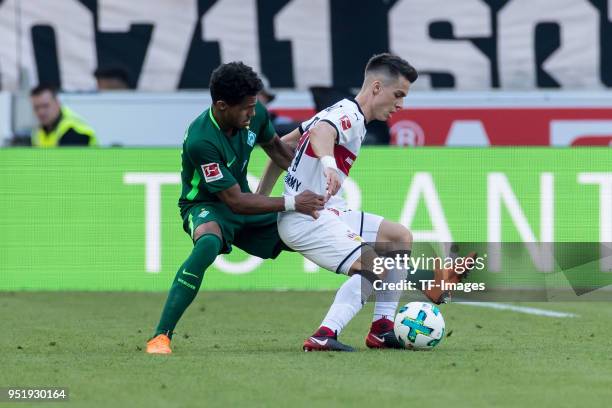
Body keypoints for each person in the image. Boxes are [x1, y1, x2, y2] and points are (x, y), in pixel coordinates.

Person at [258, 53, 475, 351]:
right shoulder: (350, 115)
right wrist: (327, 163)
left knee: (398, 237)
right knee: (375, 265)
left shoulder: (341, 110)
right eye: (398, 95)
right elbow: (322, 132)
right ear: (376, 88)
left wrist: (260, 198)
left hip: (330, 213)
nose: (401, 105)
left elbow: (281, 145)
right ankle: (325, 334)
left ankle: (382, 329)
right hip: (308, 219)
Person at [146, 62, 326, 354]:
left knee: (319, 234)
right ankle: (160, 337)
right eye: (246, 108)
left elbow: (281, 154)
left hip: (243, 202)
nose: (253, 113)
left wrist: (319, 182)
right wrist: (295, 202)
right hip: (206, 206)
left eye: (255, 106)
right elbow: (234, 201)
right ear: (221, 106)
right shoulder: (201, 140)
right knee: (207, 244)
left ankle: (382, 290)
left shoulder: (255, 116)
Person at [30, 84, 97, 147]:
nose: (41, 112)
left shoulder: (73, 130)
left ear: (57, 103)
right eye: (36, 108)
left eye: (45, 106)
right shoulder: (38, 132)